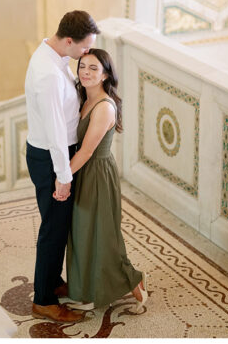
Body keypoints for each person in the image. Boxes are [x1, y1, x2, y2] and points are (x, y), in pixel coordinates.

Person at [25, 10, 99, 321]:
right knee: (53, 230)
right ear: (68, 40)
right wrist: (63, 176)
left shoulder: (55, 58)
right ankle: (43, 299)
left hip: (55, 153)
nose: (86, 54)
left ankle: (53, 282)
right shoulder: (48, 74)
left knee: (58, 225)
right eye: (84, 48)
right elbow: (56, 132)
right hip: (52, 157)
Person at [65, 49, 147, 310]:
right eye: (82, 67)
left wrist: (62, 177)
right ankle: (86, 291)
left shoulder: (103, 107)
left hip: (97, 173)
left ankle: (134, 282)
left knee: (102, 235)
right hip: (85, 170)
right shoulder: (83, 98)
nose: (86, 72)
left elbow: (88, 150)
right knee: (82, 232)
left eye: (93, 68)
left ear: (105, 75)